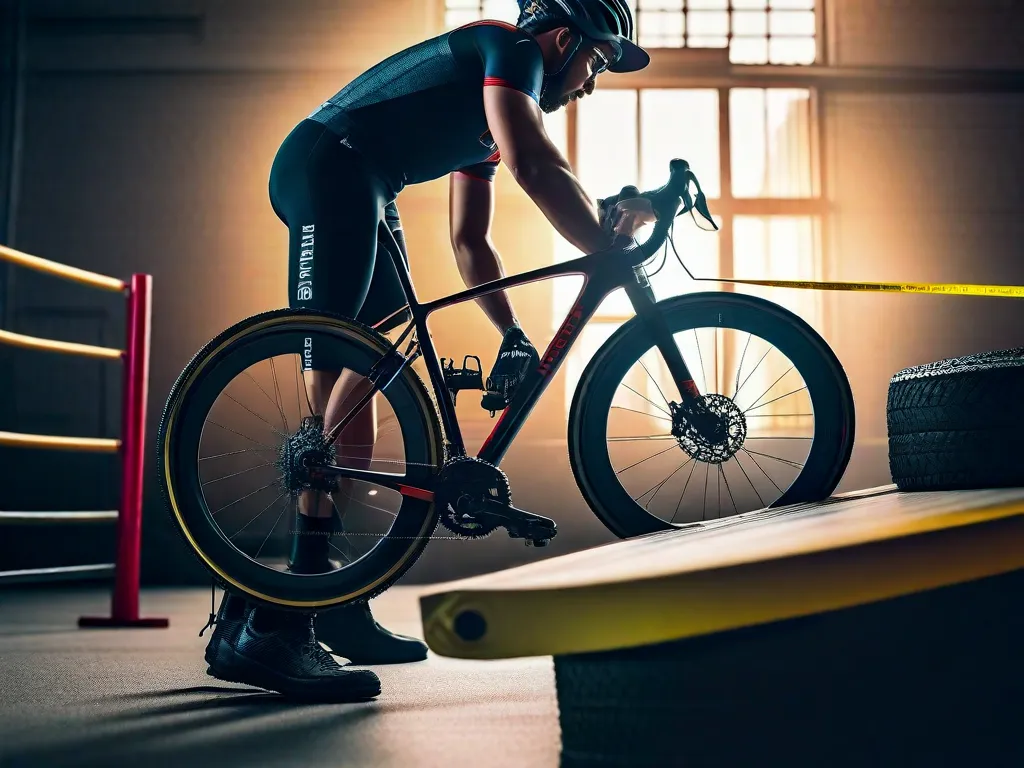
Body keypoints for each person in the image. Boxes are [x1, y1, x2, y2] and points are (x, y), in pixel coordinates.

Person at [203, 0, 658, 703]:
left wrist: (511, 332)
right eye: (596, 62)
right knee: (333, 409)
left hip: (365, 182)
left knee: (361, 399)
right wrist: (605, 242)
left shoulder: (488, 119)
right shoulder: (514, 53)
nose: (592, 84)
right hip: (331, 168)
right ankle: (274, 626)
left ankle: (332, 602)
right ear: (565, 39)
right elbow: (538, 166)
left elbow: (470, 242)